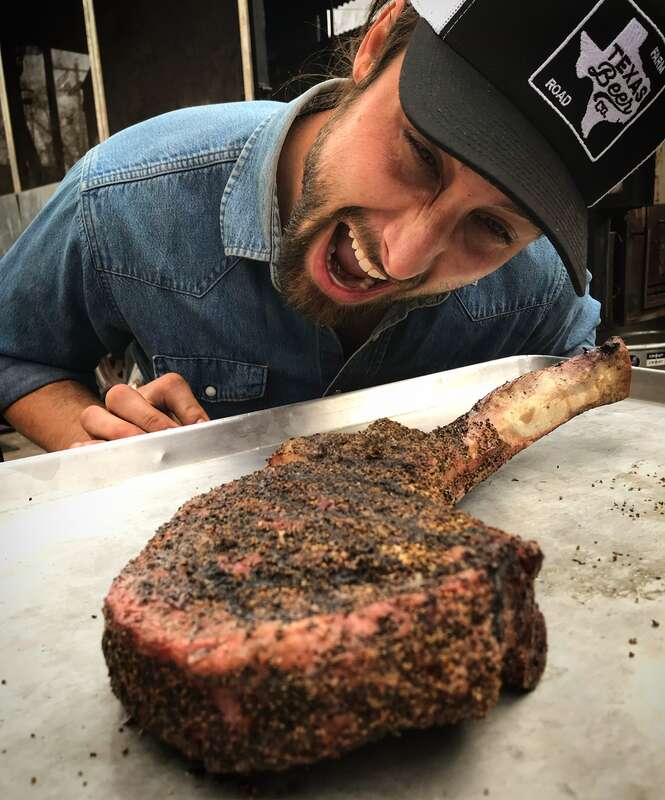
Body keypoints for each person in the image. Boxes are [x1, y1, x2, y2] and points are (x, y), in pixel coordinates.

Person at [1, 0, 663, 452]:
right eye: (420, 154)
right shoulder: (125, 196)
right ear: (373, 47)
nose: (403, 260)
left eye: (491, 226)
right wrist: (99, 441)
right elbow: (13, 351)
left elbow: (578, 380)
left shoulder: (538, 287)